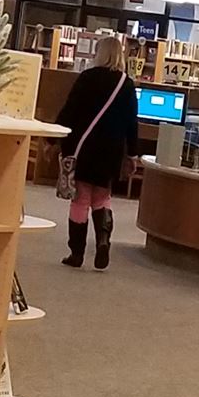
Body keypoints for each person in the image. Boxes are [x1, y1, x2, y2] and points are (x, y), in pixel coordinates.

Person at [54, 33, 141, 269]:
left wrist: (53, 138)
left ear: (99, 54)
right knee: (102, 197)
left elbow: (70, 110)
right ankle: (103, 241)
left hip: (84, 147)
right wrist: (132, 154)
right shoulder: (127, 84)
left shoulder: (87, 78)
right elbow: (132, 122)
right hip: (111, 149)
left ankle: (77, 253)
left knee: (81, 199)